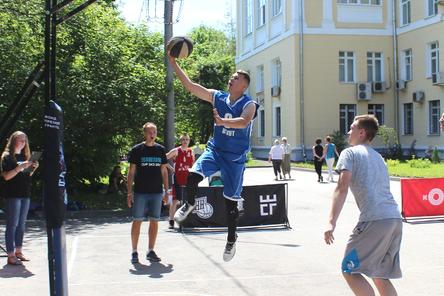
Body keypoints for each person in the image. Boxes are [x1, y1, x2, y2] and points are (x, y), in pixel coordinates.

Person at [169, 54, 259, 262]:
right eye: (232, 76)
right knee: (192, 176)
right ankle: (189, 203)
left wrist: (223, 123)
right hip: (216, 150)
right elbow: (191, 86)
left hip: (235, 159)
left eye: (236, 78)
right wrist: (174, 64)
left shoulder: (249, 103)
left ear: (244, 86)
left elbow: (244, 122)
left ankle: (231, 239)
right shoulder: (217, 96)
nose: (231, 79)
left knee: (231, 205)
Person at [324, 115, 402, 296]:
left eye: (351, 128)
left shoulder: (349, 153)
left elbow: (341, 188)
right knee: (380, 274)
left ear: (361, 132)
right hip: (394, 219)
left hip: (374, 219)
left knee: (349, 270)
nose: (348, 132)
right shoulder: (379, 158)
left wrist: (331, 222)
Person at [127, 122, 169, 264]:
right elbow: (131, 172)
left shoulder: (161, 150)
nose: (153, 134)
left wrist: (166, 191)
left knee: (154, 221)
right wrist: (129, 192)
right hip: (140, 192)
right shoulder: (137, 150)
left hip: (157, 192)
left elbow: (164, 170)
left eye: (155, 132)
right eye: (150, 132)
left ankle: (150, 250)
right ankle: (134, 251)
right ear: (144, 133)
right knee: (137, 220)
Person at [1, 131, 39, 265]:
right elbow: (6, 176)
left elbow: (25, 176)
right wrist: (21, 167)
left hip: (25, 194)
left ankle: (19, 251)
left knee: (21, 225)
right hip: (13, 194)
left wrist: (32, 168)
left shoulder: (25, 155)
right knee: (12, 224)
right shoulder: (7, 156)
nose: (23, 143)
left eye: (25, 141)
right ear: (13, 141)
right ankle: (10, 255)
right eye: (20, 140)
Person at [166, 133, 194, 229]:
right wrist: (171, 168)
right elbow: (163, 159)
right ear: (180, 141)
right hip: (178, 177)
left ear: (189, 141)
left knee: (188, 199)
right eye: (183, 139)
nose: (185, 141)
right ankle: (171, 220)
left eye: (187, 139)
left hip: (188, 178)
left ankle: (185, 219)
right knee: (175, 200)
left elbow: (192, 165)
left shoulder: (191, 151)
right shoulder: (176, 151)